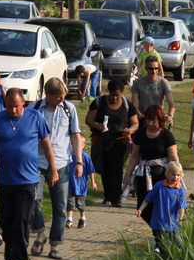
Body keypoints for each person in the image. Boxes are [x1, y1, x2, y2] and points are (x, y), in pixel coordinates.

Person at [0, 87, 56, 260]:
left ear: (23, 103)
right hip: (5, 179)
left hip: (28, 180)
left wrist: (53, 169)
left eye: (16, 106)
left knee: (23, 219)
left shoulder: (35, 117)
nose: (13, 110)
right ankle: (10, 245)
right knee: (5, 218)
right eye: (9, 106)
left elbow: (47, 144)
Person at [31, 77, 82, 260]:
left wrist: (79, 161)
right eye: (58, 97)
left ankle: (55, 245)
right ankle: (40, 235)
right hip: (37, 162)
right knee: (33, 200)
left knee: (60, 206)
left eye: (63, 96)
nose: (62, 100)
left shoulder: (69, 109)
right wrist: (33, 141)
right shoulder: (34, 108)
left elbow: (75, 135)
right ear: (48, 94)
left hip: (61, 163)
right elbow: (25, 133)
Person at [85, 78, 136, 206]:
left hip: (120, 142)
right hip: (102, 141)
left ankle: (116, 198)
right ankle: (107, 195)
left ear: (121, 93)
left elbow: (135, 123)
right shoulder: (99, 102)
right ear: (108, 92)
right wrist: (97, 125)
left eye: (117, 95)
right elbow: (88, 119)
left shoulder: (127, 105)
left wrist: (129, 131)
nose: (114, 98)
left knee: (117, 169)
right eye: (112, 95)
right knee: (105, 169)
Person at [122, 105, 179, 210]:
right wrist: (128, 175)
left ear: (160, 120)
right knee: (143, 207)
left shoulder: (167, 136)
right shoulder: (141, 134)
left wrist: (177, 176)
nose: (151, 124)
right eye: (148, 120)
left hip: (162, 177)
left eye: (154, 121)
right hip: (143, 175)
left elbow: (173, 157)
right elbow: (135, 155)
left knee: (160, 206)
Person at [136, 161, 186, 258]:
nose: (175, 177)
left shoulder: (180, 190)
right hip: (158, 222)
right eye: (173, 174)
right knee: (162, 245)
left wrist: (180, 219)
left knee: (177, 244)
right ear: (167, 174)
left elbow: (181, 207)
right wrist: (140, 209)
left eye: (178, 175)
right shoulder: (159, 186)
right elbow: (148, 199)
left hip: (173, 223)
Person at [131, 55, 175, 121]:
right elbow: (134, 104)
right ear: (146, 68)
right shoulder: (138, 83)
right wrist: (141, 117)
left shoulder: (164, 82)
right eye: (151, 69)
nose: (154, 71)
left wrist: (170, 116)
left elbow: (171, 104)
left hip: (158, 119)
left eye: (156, 68)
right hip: (143, 118)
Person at [68, 145, 93, 230]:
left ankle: (82, 218)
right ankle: (69, 219)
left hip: (81, 185)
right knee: (70, 202)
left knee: (80, 204)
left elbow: (91, 170)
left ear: (83, 145)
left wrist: (93, 182)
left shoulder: (85, 156)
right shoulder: (69, 155)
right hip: (70, 184)